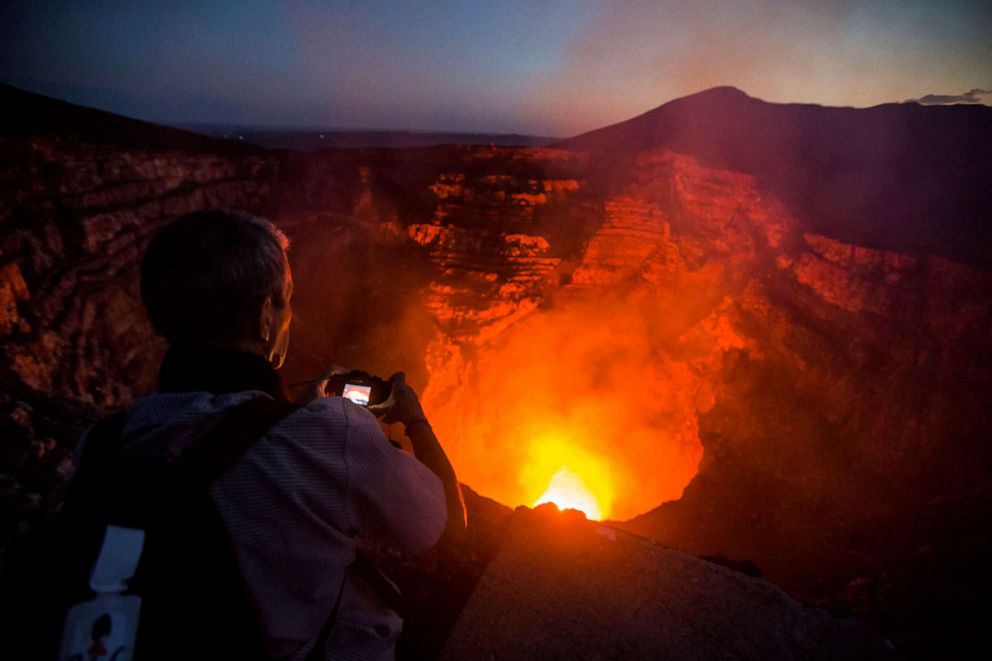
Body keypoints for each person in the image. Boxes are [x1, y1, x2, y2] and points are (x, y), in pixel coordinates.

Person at [95, 209, 465, 659]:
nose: (291, 314)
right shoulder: (330, 433)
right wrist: (414, 419)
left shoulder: (105, 441)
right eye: (287, 298)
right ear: (265, 312)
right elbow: (444, 528)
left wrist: (282, 414)